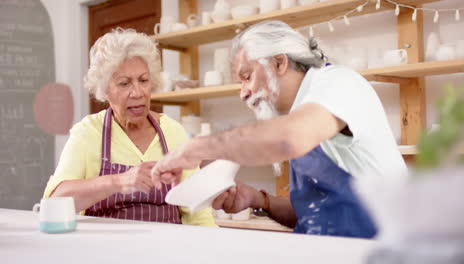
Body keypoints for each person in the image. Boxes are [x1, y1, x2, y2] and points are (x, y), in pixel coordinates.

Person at [150, 20, 407, 238]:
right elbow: (315, 214)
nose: (243, 93)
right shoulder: (301, 113)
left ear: (279, 64)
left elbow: (290, 138)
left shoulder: (339, 83)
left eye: (247, 76)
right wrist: (258, 200)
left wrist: (198, 147)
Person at [43, 28, 215, 226]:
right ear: (105, 89)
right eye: (124, 83)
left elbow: (198, 212)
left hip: (167, 252)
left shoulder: (173, 131)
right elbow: (55, 202)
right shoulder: (88, 133)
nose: (137, 92)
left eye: (143, 80)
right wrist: (120, 181)